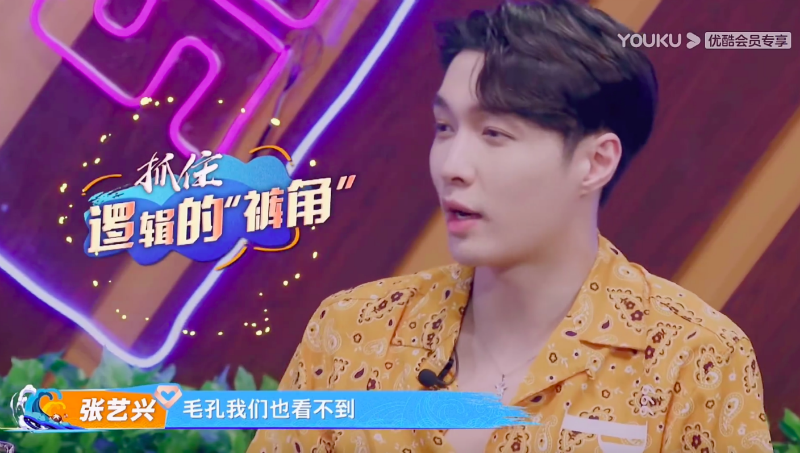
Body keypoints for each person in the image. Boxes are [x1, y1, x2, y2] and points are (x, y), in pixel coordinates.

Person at [248, 1, 772, 452]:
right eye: (444, 127)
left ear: (595, 162)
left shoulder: (693, 359)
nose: (452, 165)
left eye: (494, 133)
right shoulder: (351, 330)